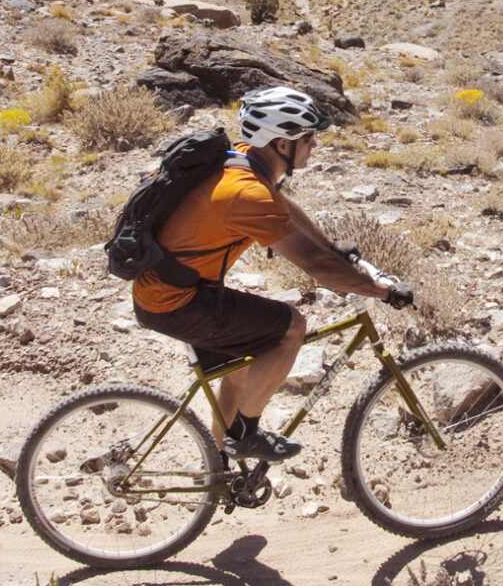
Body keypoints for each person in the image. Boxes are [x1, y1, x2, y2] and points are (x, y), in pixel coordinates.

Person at [131, 86, 411, 461]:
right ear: (283, 144)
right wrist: (379, 290)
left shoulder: (243, 160)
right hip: (176, 301)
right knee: (291, 326)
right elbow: (312, 265)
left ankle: (218, 467)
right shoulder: (247, 194)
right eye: (308, 137)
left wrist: (331, 245)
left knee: (241, 371)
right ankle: (245, 436)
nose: (315, 145)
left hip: (175, 290)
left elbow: (283, 205)